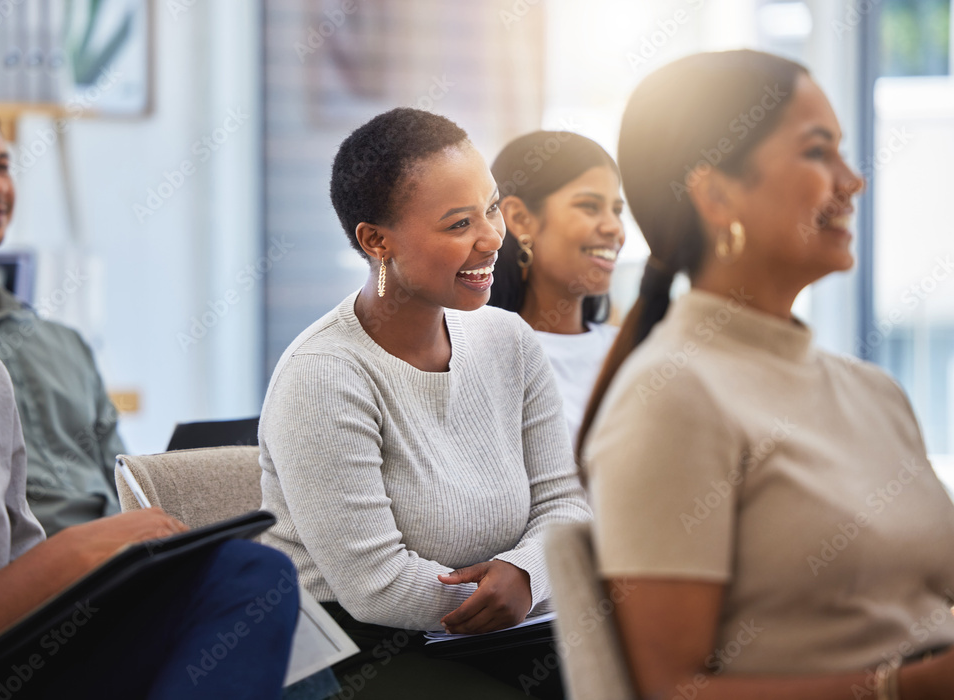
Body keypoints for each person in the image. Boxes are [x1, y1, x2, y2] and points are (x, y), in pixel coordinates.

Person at [580, 50, 954, 699]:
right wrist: (906, 688)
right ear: (718, 196)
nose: (852, 179)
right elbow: (673, 691)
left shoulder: (874, 392)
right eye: (817, 152)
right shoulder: (671, 398)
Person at [258, 107, 591, 699]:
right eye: (459, 223)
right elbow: (375, 586)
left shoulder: (508, 341)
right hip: (351, 651)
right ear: (376, 241)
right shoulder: (324, 376)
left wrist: (525, 574)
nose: (492, 237)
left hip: (506, 631)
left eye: (491, 208)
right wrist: (506, 594)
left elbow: (566, 503)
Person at [0, 220, 300, 698]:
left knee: (250, 574)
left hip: (13, 641)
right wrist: (73, 553)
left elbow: (14, 558)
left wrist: (118, 565)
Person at [0, 85, 123, 536]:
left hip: (124, 564)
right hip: (16, 583)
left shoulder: (64, 342)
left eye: (2, 167)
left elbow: (124, 481)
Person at [488, 132, 624, 443]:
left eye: (617, 210)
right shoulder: (478, 360)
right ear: (520, 219)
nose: (614, 228)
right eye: (590, 207)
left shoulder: (630, 351)